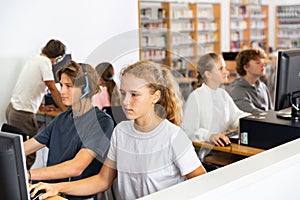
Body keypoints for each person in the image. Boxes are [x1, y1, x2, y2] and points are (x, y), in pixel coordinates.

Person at [29, 60, 206, 200]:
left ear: (155, 96)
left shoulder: (173, 136)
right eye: (123, 93)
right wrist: (56, 187)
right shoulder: (121, 131)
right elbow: (102, 180)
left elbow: (204, 184)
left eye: (135, 95)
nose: (126, 102)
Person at [24, 61, 114, 200]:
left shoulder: (101, 122)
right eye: (61, 85)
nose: (61, 91)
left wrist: (28, 174)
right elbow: (26, 147)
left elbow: (76, 167)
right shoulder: (62, 118)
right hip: (50, 190)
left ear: (86, 90)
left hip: (74, 196)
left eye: (68, 86)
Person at [5, 39, 68, 168]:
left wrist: (41, 108)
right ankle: (21, 185)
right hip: (22, 115)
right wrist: (65, 110)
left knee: (18, 152)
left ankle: (15, 182)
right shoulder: (45, 63)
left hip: (12, 109)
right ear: (58, 57)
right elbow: (52, 88)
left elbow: (33, 85)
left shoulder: (34, 59)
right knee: (28, 155)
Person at [182, 53, 249, 147]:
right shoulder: (196, 97)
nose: (226, 72)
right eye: (221, 69)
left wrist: (253, 120)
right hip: (204, 151)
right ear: (208, 74)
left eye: (225, 68)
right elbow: (188, 131)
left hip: (222, 146)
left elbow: (235, 117)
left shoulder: (222, 94)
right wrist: (209, 136)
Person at [229, 48, 272, 114]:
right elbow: (253, 114)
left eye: (263, 62)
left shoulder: (263, 86)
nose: (263, 65)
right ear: (246, 67)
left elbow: (271, 110)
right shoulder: (237, 91)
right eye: (258, 63)